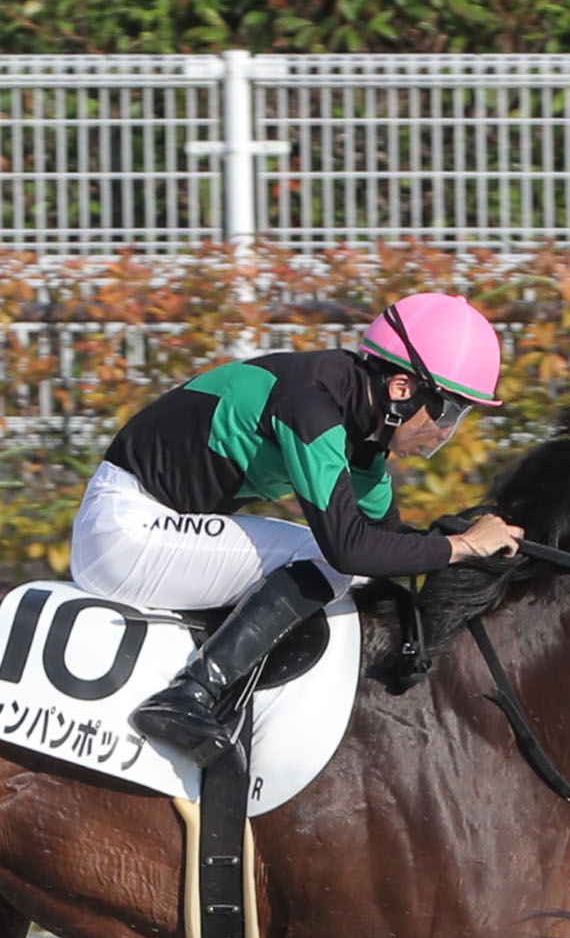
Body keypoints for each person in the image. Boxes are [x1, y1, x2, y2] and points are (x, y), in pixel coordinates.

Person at [71, 292, 528, 761]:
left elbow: (389, 542)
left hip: (152, 524)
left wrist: (475, 545)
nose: (446, 432)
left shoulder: (359, 428)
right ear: (401, 388)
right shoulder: (313, 407)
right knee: (325, 560)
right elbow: (348, 550)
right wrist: (462, 545)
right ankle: (191, 694)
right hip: (123, 533)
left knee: (347, 566)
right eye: (448, 411)